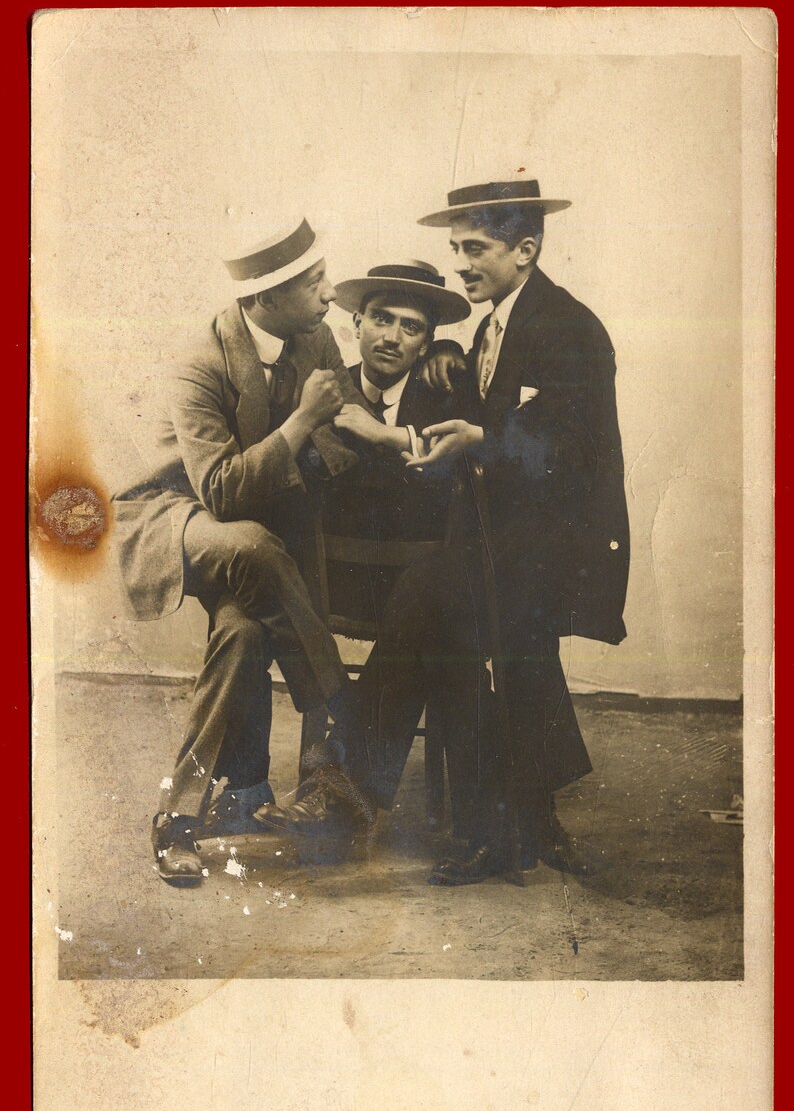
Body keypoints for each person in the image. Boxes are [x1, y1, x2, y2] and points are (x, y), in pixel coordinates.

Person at [257, 179, 630, 886]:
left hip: (559, 546)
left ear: (526, 248)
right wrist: (458, 407)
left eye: (476, 247)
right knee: (447, 615)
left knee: (428, 592)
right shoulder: (491, 326)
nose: (461, 261)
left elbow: (576, 453)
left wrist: (481, 436)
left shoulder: (569, 325)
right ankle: (511, 824)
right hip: (500, 539)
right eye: (455, 246)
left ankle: (350, 787)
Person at [112, 216, 375, 886]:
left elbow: (340, 448)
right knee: (255, 545)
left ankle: (181, 817)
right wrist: (299, 426)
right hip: (177, 514)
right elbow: (223, 490)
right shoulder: (198, 361)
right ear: (264, 297)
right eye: (314, 282)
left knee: (238, 630)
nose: (328, 291)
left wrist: (335, 433)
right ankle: (343, 732)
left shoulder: (315, 337)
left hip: (261, 523)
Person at [322, 260, 471, 623]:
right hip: (329, 582)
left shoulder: (446, 396)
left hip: (415, 589)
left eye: (411, 327)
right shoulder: (323, 390)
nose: (391, 338)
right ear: (357, 324)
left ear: (426, 345)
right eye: (381, 319)